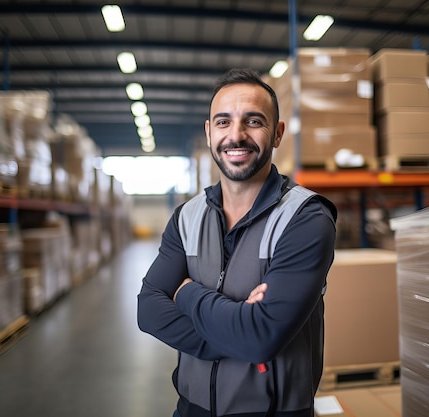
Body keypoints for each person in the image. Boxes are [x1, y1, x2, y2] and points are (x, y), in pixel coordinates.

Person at [137, 68, 337, 417]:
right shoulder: (187, 217)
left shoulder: (306, 218)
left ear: (277, 135)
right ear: (209, 132)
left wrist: (185, 293)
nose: (237, 135)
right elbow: (148, 311)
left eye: (253, 121)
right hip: (191, 408)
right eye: (223, 122)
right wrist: (239, 332)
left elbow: (261, 337)